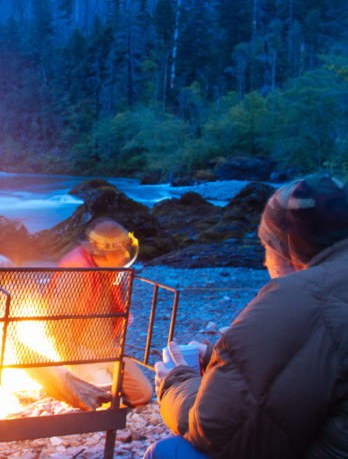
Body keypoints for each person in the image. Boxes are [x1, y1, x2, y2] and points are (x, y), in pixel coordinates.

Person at [145, 173, 348, 459]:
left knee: (169, 452)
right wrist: (218, 356)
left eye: (267, 246)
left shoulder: (301, 295)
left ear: (289, 248)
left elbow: (215, 430)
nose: (265, 261)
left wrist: (176, 381)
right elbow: (314, 360)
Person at [57, 217, 153, 407]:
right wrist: (74, 354)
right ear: (104, 253)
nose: (126, 255)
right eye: (121, 251)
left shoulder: (112, 271)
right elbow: (56, 321)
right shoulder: (76, 271)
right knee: (101, 400)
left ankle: (108, 391)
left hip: (107, 348)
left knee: (142, 395)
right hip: (79, 351)